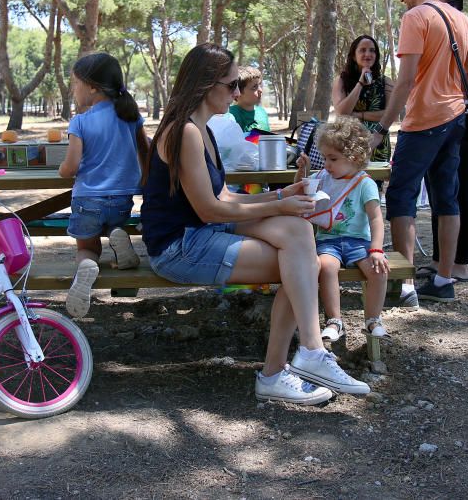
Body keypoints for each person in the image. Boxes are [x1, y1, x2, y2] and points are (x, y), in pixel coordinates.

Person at [141, 43, 369, 404]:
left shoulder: (202, 129)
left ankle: (302, 357)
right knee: (302, 263)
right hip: (179, 245)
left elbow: (226, 198)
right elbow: (209, 210)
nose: (236, 93)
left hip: (203, 231)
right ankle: (288, 365)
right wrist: (278, 205)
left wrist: (281, 198)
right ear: (205, 85)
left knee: (298, 231)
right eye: (231, 85)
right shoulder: (184, 131)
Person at [368, 0, 468, 303]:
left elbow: (404, 82)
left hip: (424, 119)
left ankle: (404, 285)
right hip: (456, 120)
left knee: (401, 194)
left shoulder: (415, 17)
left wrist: (381, 127)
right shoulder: (462, 20)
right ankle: (443, 280)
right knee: (446, 198)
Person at [59, 52, 149, 318]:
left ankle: (87, 265)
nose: (73, 89)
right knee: (114, 224)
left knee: (87, 247)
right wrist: (144, 180)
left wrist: (61, 170)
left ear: (93, 87)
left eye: (76, 83)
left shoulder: (80, 121)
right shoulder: (131, 116)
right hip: (122, 198)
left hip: (88, 198)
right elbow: (146, 152)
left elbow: (71, 168)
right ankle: (118, 238)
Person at [293, 117, 391, 342]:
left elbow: (376, 218)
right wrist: (301, 172)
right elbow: (300, 191)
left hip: (360, 242)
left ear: (354, 158)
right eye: (325, 157)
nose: (326, 164)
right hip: (328, 241)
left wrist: (376, 249)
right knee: (326, 267)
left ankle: (373, 319)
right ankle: (334, 320)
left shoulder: (364, 182)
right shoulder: (323, 177)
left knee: (378, 270)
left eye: (333, 159)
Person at [424, 0, 468, 282]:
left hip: (461, 126)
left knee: (458, 196)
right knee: (439, 195)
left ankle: (460, 263)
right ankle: (438, 259)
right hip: (439, 125)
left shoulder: (465, 35)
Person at [332, 36, 393, 163]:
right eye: (362, 50)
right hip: (348, 142)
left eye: (372, 50)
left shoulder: (386, 82)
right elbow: (342, 113)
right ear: (354, 56)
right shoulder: (342, 81)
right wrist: (360, 83)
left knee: (375, 181)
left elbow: (390, 114)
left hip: (378, 143)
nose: (368, 54)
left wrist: (356, 115)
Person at [228, 65, 270, 133]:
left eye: (259, 85)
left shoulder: (262, 112)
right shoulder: (230, 115)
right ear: (238, 92)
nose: (260, 90)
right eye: (254, 87)